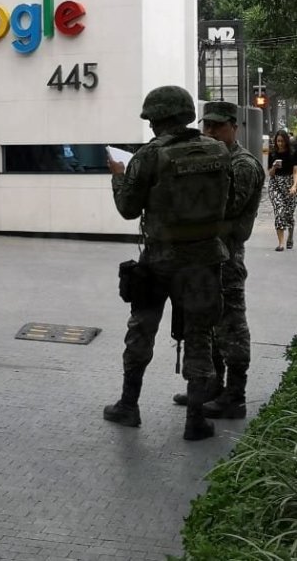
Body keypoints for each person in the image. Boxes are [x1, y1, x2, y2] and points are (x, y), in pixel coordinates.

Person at [104, 86, 231, 441]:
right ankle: (195, 419)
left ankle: (129, 406)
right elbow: (230, 200)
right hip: (205, 259)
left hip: (160, 260)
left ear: (158, 119)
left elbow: (129, 208)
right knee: (200, 335)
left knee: (142, 329)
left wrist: (117, 174)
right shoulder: (218, 150)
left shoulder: (149, 156)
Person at [171, 102, 265, 418]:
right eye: (206, 126)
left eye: (217, 126)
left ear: (233, 127)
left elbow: (226, 208)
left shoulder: (243, 165)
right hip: (205, 256)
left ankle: (234, 396)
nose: (209, 132)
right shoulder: (213, 161)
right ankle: (212, 387)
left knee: (232, 326)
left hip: (227, 257)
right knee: (208, 326)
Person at [267, 130, 296, 250]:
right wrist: (274, 167)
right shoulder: (272, 154)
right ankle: (281, 243)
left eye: (282, 141)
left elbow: (295, 172)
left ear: (286, 141)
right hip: (275, 184)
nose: (280, 144)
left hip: (289, 183)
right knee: (279, 211)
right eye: (278, 141)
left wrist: (294, 186)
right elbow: (270, 173)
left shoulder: (293, 153)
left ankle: (290, 236)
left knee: (289, 214)